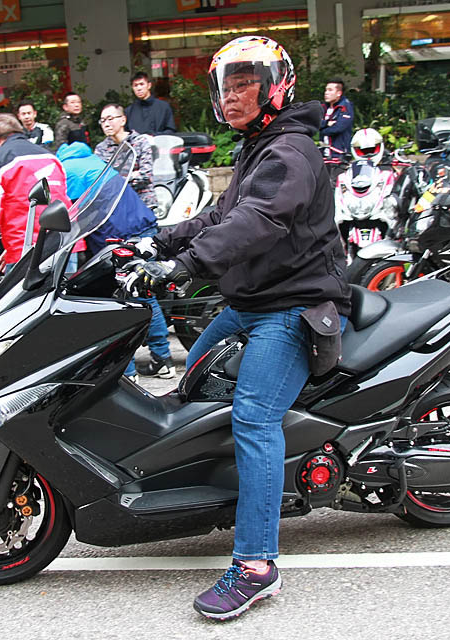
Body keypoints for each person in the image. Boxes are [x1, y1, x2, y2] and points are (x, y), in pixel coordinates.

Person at [131, 35, 351, 620]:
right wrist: (157, 238)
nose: (233, 95)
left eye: (245, 82)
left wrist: (184, 267)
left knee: (255, 418)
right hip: (251, 301)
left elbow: (257, 221)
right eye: (227, 84)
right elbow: (223, 212)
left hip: (293, 307)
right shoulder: (261, 145)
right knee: (188, 390)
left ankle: (257, 564)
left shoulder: (292, 152)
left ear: (275, 86)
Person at [58, 140, 174, 381]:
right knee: (143, 294)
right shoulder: (95, 162)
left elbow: (72, 214)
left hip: (117, 237)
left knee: (117, 302)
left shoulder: (67, 170)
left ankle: (126, 371)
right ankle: (163, 360)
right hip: (143, 227)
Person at [0, 113, 71, 288]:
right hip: (65, 246)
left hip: (25, 251)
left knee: (22, 311)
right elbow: (61, 200)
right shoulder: (50, 157)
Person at [94, 103, 157, 209]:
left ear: (123, 120)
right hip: (116, 206)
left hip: (143, 203)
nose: (106, 124)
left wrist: (117, 179)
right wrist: (132, 175)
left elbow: (146, 175)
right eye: (103, 120)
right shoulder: (101, 149)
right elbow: (102, 182)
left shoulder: (140, 142)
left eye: (110, 119)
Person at [319, 78, 354, 184]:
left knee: (336, 184)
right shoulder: (323, 107)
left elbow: (338, 128)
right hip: (324, 154)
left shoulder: (344, 107)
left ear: (338, 93)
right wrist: (326, 123)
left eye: (330, 90)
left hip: (339, 155)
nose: (326, 93)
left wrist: (323, 129)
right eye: (326, 90)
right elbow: (314, 123)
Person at [124, 71, 177, 135]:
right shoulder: (129, 111)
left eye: (141, 84)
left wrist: (154, 136)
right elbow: (126, 134)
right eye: (135, 85)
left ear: (149, 85)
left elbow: (171, 130)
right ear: (132, 88)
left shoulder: (164, 107)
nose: (139, 88)